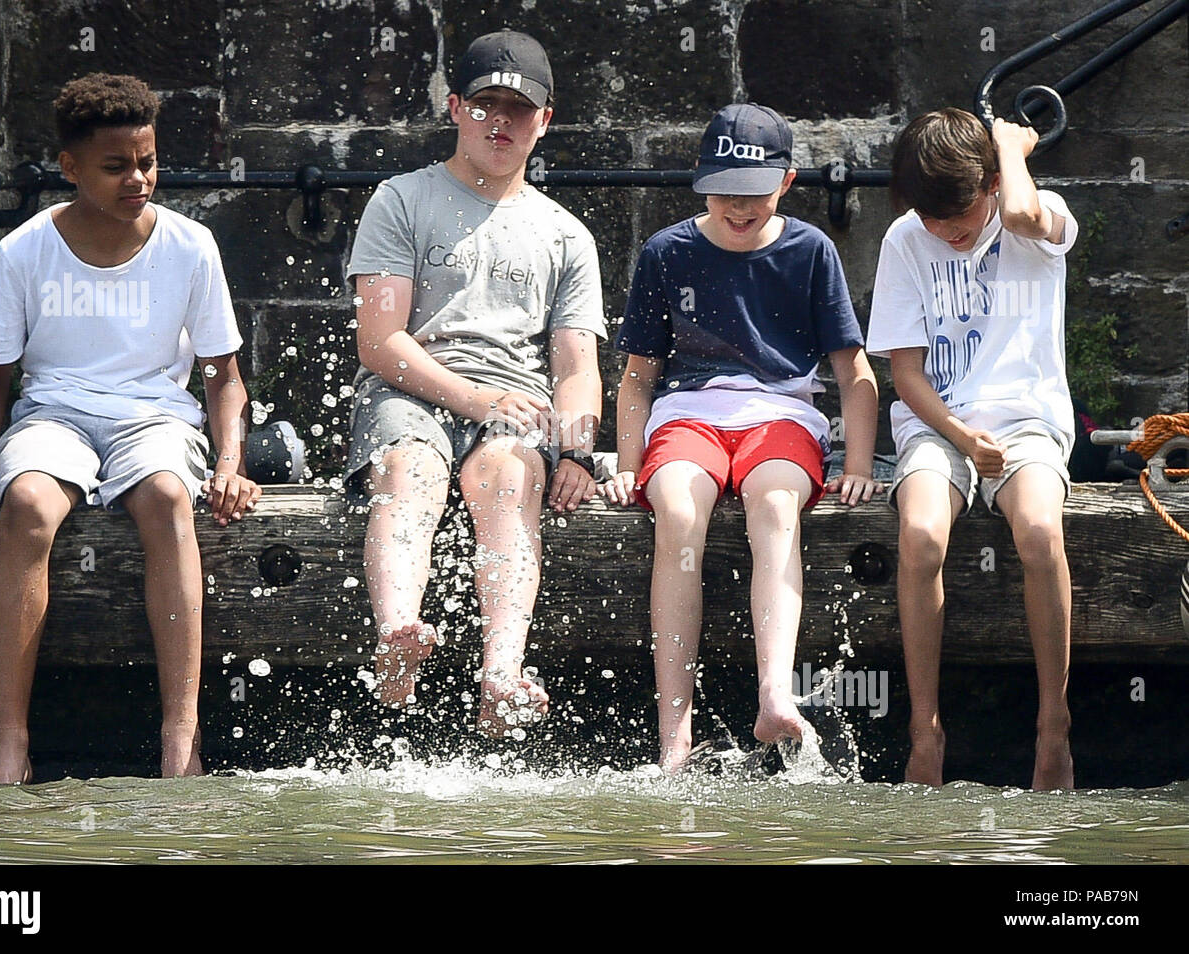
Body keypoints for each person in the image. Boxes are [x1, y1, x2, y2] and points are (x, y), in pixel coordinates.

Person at [0, 73, 260, 783]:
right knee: (31, 503)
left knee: (167, 499)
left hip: (155, 419)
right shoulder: (25, 251)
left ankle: (179, 741)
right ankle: (10, 743)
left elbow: (223, 377)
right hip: (54, 416)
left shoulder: (191, 247)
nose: (138, 178)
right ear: (70, 168)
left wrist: (230, 462)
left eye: (148, 161)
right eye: (116, 166)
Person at [601, 103, 881, 773]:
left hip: (780, 415)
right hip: (689, 413)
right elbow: (639, 377)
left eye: (753, 191)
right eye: (724, 189)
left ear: (784, 183)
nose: (737, 204)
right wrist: (627, 462)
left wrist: (860, 462)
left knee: (777, 504)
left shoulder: (810, 250)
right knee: (676, 507)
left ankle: (774, 694)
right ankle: (675, 733)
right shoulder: (667, 252)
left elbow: (854, 370)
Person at [344, 31, 606, 734]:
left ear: (544, 120)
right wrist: (472, 398)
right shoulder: (400, 199)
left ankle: (501, 671)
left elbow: (578, 364)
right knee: (410, 469)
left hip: (514, 406)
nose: (500, 122)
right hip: (410, 389)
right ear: (455, 108)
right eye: (485, 104)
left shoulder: (565, 234)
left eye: (517, 110)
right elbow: (379, 340)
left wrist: (577, 451)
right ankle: (399, 632)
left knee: (509, 478)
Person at [865, 108, 1077, 790]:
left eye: (955, 218)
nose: (942, 234)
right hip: (938, 423)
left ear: (990, 184)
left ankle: (1053, 724)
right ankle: (924, 728)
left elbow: (1019, 216)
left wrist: (1013, 150)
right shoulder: (905, 240)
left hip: (1027, 419)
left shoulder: (1035, 216)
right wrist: (959, 437)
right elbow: (905, 374)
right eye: (930, 220)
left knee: (1040, 531)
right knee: (922, 535)